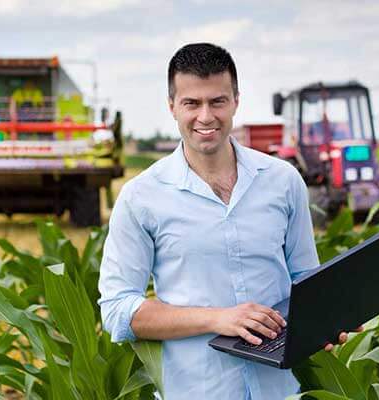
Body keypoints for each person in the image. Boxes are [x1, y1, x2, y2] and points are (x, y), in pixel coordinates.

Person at [98, 43, 354, 399]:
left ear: (236, 100)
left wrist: (328, 319)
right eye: (192, 103)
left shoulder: (283, 181)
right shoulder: (141, 197)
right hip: (196, 390)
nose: (206, 116)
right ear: (172, 106)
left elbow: (304, 282)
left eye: (217, 101)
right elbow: (118, 311)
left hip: (280, 390)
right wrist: (218, 318)